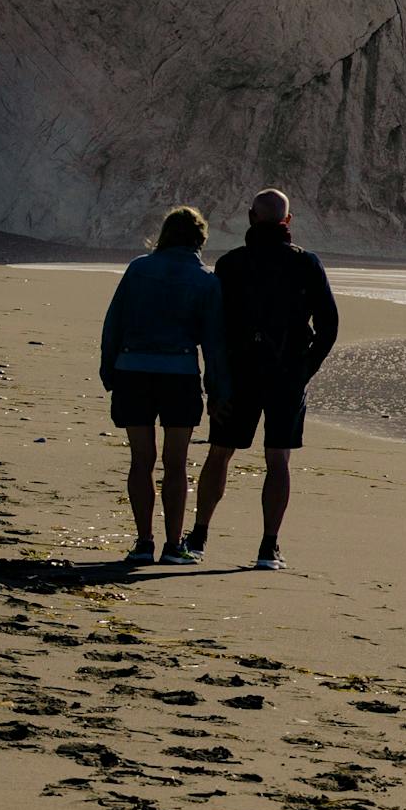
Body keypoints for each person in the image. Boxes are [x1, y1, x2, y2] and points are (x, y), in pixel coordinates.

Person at [185, 188, 338, 571]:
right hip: (286, 374)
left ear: (251, 217)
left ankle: (199, 536)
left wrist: (215, 381)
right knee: (277, 459)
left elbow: (214, 328)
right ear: (288, 222)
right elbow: (329, 326)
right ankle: (268, 547)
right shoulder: (306, 264)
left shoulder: (231, 264)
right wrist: (305, 368)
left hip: (239, 372)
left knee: (219, 452)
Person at [99, 205, 230, 567]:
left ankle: (143, 541)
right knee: (176, 463)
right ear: (200, 239)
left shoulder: (138, 269)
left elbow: (114, 324)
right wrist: (217, 389)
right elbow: (214, 344)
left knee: (141, 460)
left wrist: (109, 370)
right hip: (179, 375)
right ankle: (173, 545)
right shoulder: (207, 280)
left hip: (133, 370)